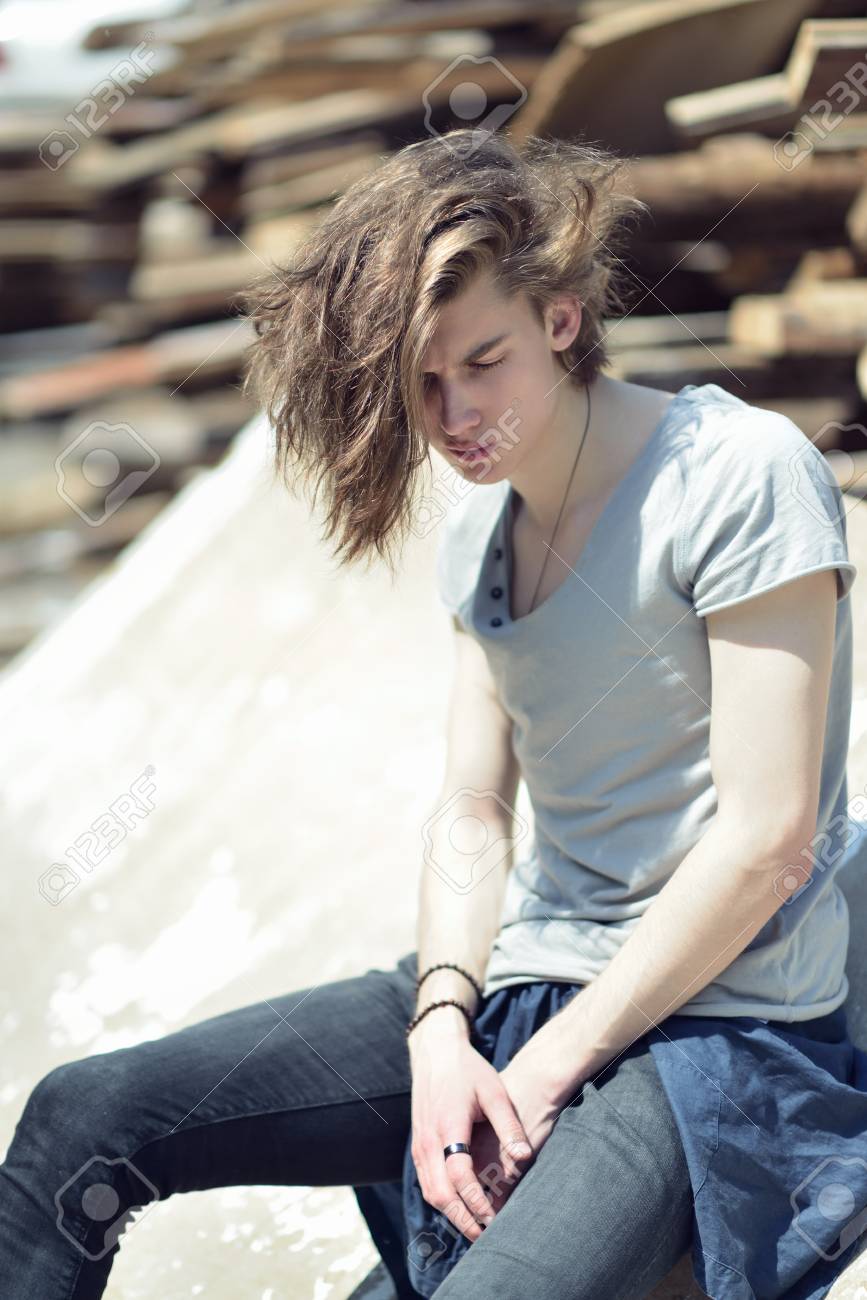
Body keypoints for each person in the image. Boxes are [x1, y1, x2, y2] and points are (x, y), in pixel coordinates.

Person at [1, 126, 865, 1300]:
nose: (455, 414)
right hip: (528, 977)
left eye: (483, 360)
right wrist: (441, 1027)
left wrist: (547, 1070)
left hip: (725, 1031)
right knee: (78, 1122)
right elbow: (471, 809)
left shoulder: (736, 474)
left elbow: (767, 842)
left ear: (562, 316)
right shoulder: (480, 534)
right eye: (422, 380)